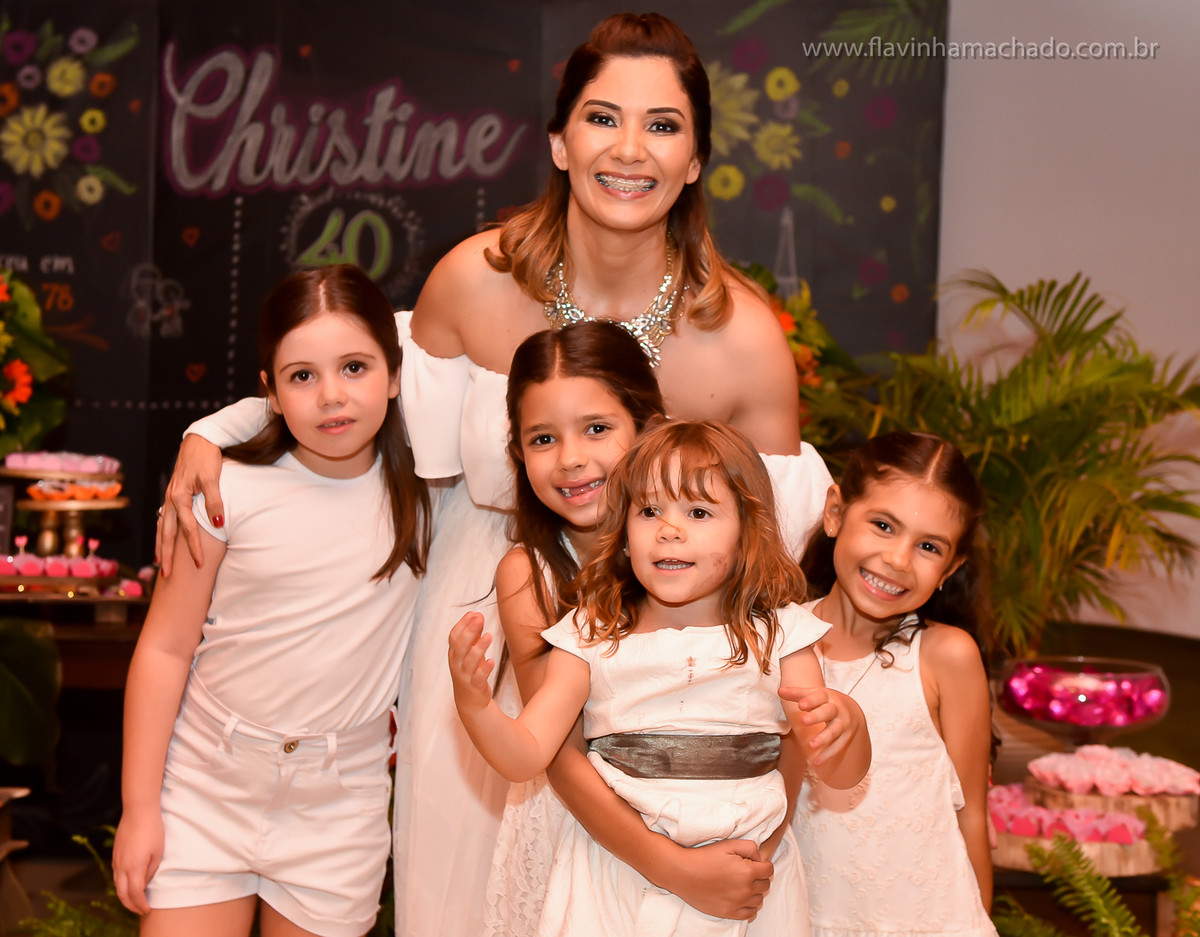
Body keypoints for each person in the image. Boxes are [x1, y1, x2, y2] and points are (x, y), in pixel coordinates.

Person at [156, 13, 833, 935]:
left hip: (663, 669)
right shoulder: (472, 281)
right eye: (603, 117)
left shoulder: (744, 341)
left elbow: (772, 576)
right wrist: (216, 428)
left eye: (663, 125)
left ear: (695, 161)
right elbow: (353, 401)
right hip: (479, 613)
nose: (629, 149)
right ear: (559, 141)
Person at [450, 419, 872, 937]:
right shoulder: (590, 633)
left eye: (698, 512)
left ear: (747, 533)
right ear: (625, 536)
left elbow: (839, 774)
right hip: (615, 879)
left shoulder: (782, 634)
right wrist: (476, 707)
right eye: (649, 511)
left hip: (747, 887)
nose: (669, 529)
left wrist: (850, 725)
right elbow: (526, 755)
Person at [112, 265, 434, 937]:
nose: (332, 395)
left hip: (338, 808)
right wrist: (139, 809)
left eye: (355, 367)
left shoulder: (433, 496)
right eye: (302, 376)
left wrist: (205, 428)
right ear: (271, 392)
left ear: (395, 375)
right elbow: (165, 649)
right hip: (205, 787)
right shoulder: (223, 490)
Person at [484, 320, 666, 936]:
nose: (570, 459)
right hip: (576, 828)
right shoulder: (528, 577)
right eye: (543, 438)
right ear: (519, 453)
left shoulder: (696, 557)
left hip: (694, 816)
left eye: (596, 429)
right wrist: (667, 864)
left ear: (648, 429)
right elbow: (557, 751)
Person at [789, 431, 997, 937]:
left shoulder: (946, 656)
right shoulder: (775, 638)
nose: (899, 560)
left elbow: (971, 815)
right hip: (803, 915)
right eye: (883, 526)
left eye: (928, 546)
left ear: (950, 568)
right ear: (835, 512)